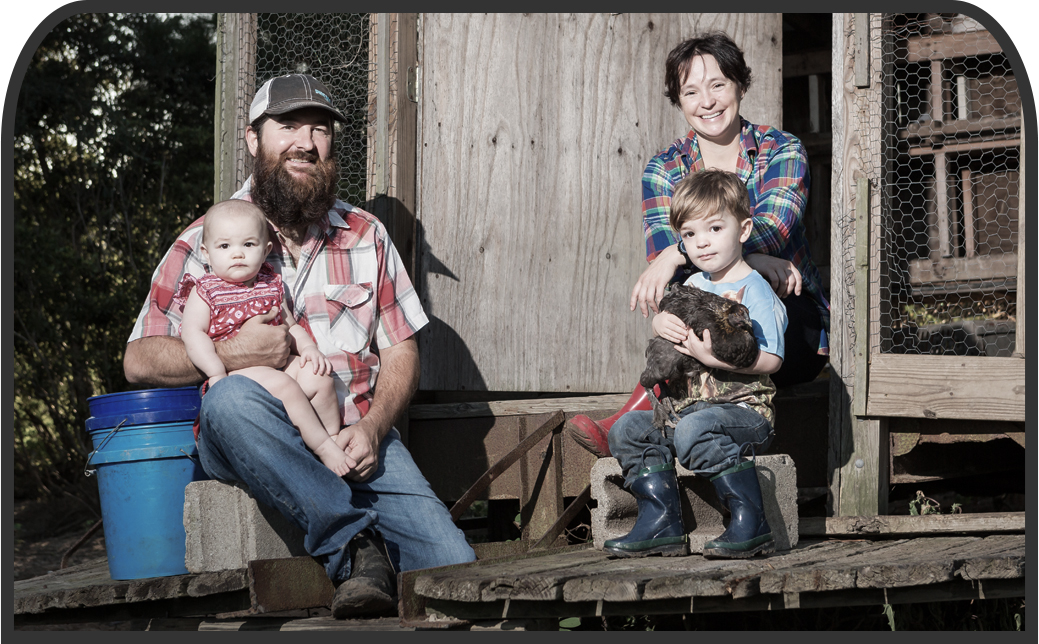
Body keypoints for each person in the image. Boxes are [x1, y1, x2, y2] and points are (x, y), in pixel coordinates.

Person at [124, 73, 475, 618]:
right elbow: (139, 359)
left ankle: (370, 541)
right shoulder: (207, 237)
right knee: (232, 400)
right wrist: (236, 355)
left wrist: (374, 427)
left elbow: (402, 351)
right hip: (250, 433)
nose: (305, 141)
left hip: (351, 432)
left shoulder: (365, 234)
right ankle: (354, 546)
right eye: (287, 126)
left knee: (455, 575)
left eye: (319, 129)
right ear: (252, 138)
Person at [567, 31, 830, 458]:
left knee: (718, 303)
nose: (706, 101)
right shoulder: (663, 169)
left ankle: (641, 424)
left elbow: (775, 226)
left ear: (740, 85)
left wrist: (679, 250)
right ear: (679, 100)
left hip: (784, 325)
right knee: (688, 308)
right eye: (691, 91)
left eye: (717, 85)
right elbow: (670, 263)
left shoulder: (781, 149)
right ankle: (637, 429)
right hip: (706, 322)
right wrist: (754, 258)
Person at [603, 168, 786, 560]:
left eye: (715, 229)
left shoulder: (756, 291)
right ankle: (661, 522)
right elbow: (672, 326)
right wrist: (659, 322)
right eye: (689, 235)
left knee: (692, 431)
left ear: (743, 229)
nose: (701, 243)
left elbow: (772, 360)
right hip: (687, 411)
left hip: (743, 413)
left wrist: (710, 357)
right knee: (628, 430)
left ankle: (750, 521)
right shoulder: (694, 286)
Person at [176, 199, 351, 476]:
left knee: (319, 377)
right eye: (225, 246)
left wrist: (308, 349)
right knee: (285, 386)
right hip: (238, 375)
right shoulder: (205, 291)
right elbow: (192, 334)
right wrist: (216, 372)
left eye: (248, 245)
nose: (237, 254)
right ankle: (323, 448)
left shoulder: (270, 284)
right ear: (206, 253)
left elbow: (291, 325)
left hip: (279, 364)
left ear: (266, 249)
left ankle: (330, 438)